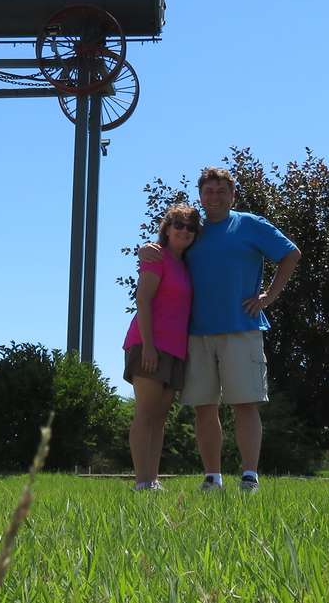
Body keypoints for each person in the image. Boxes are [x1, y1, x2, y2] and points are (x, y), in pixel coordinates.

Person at [140, 167, 301, 493]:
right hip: (196, 334)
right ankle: (212, 477)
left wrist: (268, 296)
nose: (214, 197)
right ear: (200, 196)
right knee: (204, 406)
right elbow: (166, 251)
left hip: (242, 328)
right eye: (208, 191)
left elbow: (291, 254)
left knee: (245, 403)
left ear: (232, 195)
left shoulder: (250, 224)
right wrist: (147, 249)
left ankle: (249, 476)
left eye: (221, 191)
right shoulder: (193, 231)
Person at [123, 203, 201, 491]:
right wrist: (148, 347)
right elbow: (143, 299)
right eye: (178, 224)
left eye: (191, 227)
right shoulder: (156, 257)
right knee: (145, 413)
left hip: (175, 349)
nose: (184, 231)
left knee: (159, 418)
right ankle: (141, 481)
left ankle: (152, 480)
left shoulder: (185, 264)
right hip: (149, 344)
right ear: (167, 228)